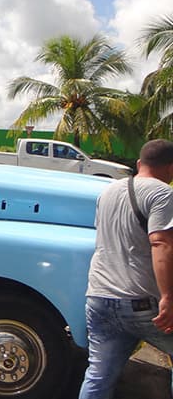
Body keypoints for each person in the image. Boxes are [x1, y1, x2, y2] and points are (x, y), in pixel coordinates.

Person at [79, 139, 173, 399]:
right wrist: (168, 297)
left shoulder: (107, 192)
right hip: (141, 302)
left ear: (140, 164)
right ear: (170, 168)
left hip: (98, 297)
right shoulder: (162, 194)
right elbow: (160, 243)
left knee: (98, 375)